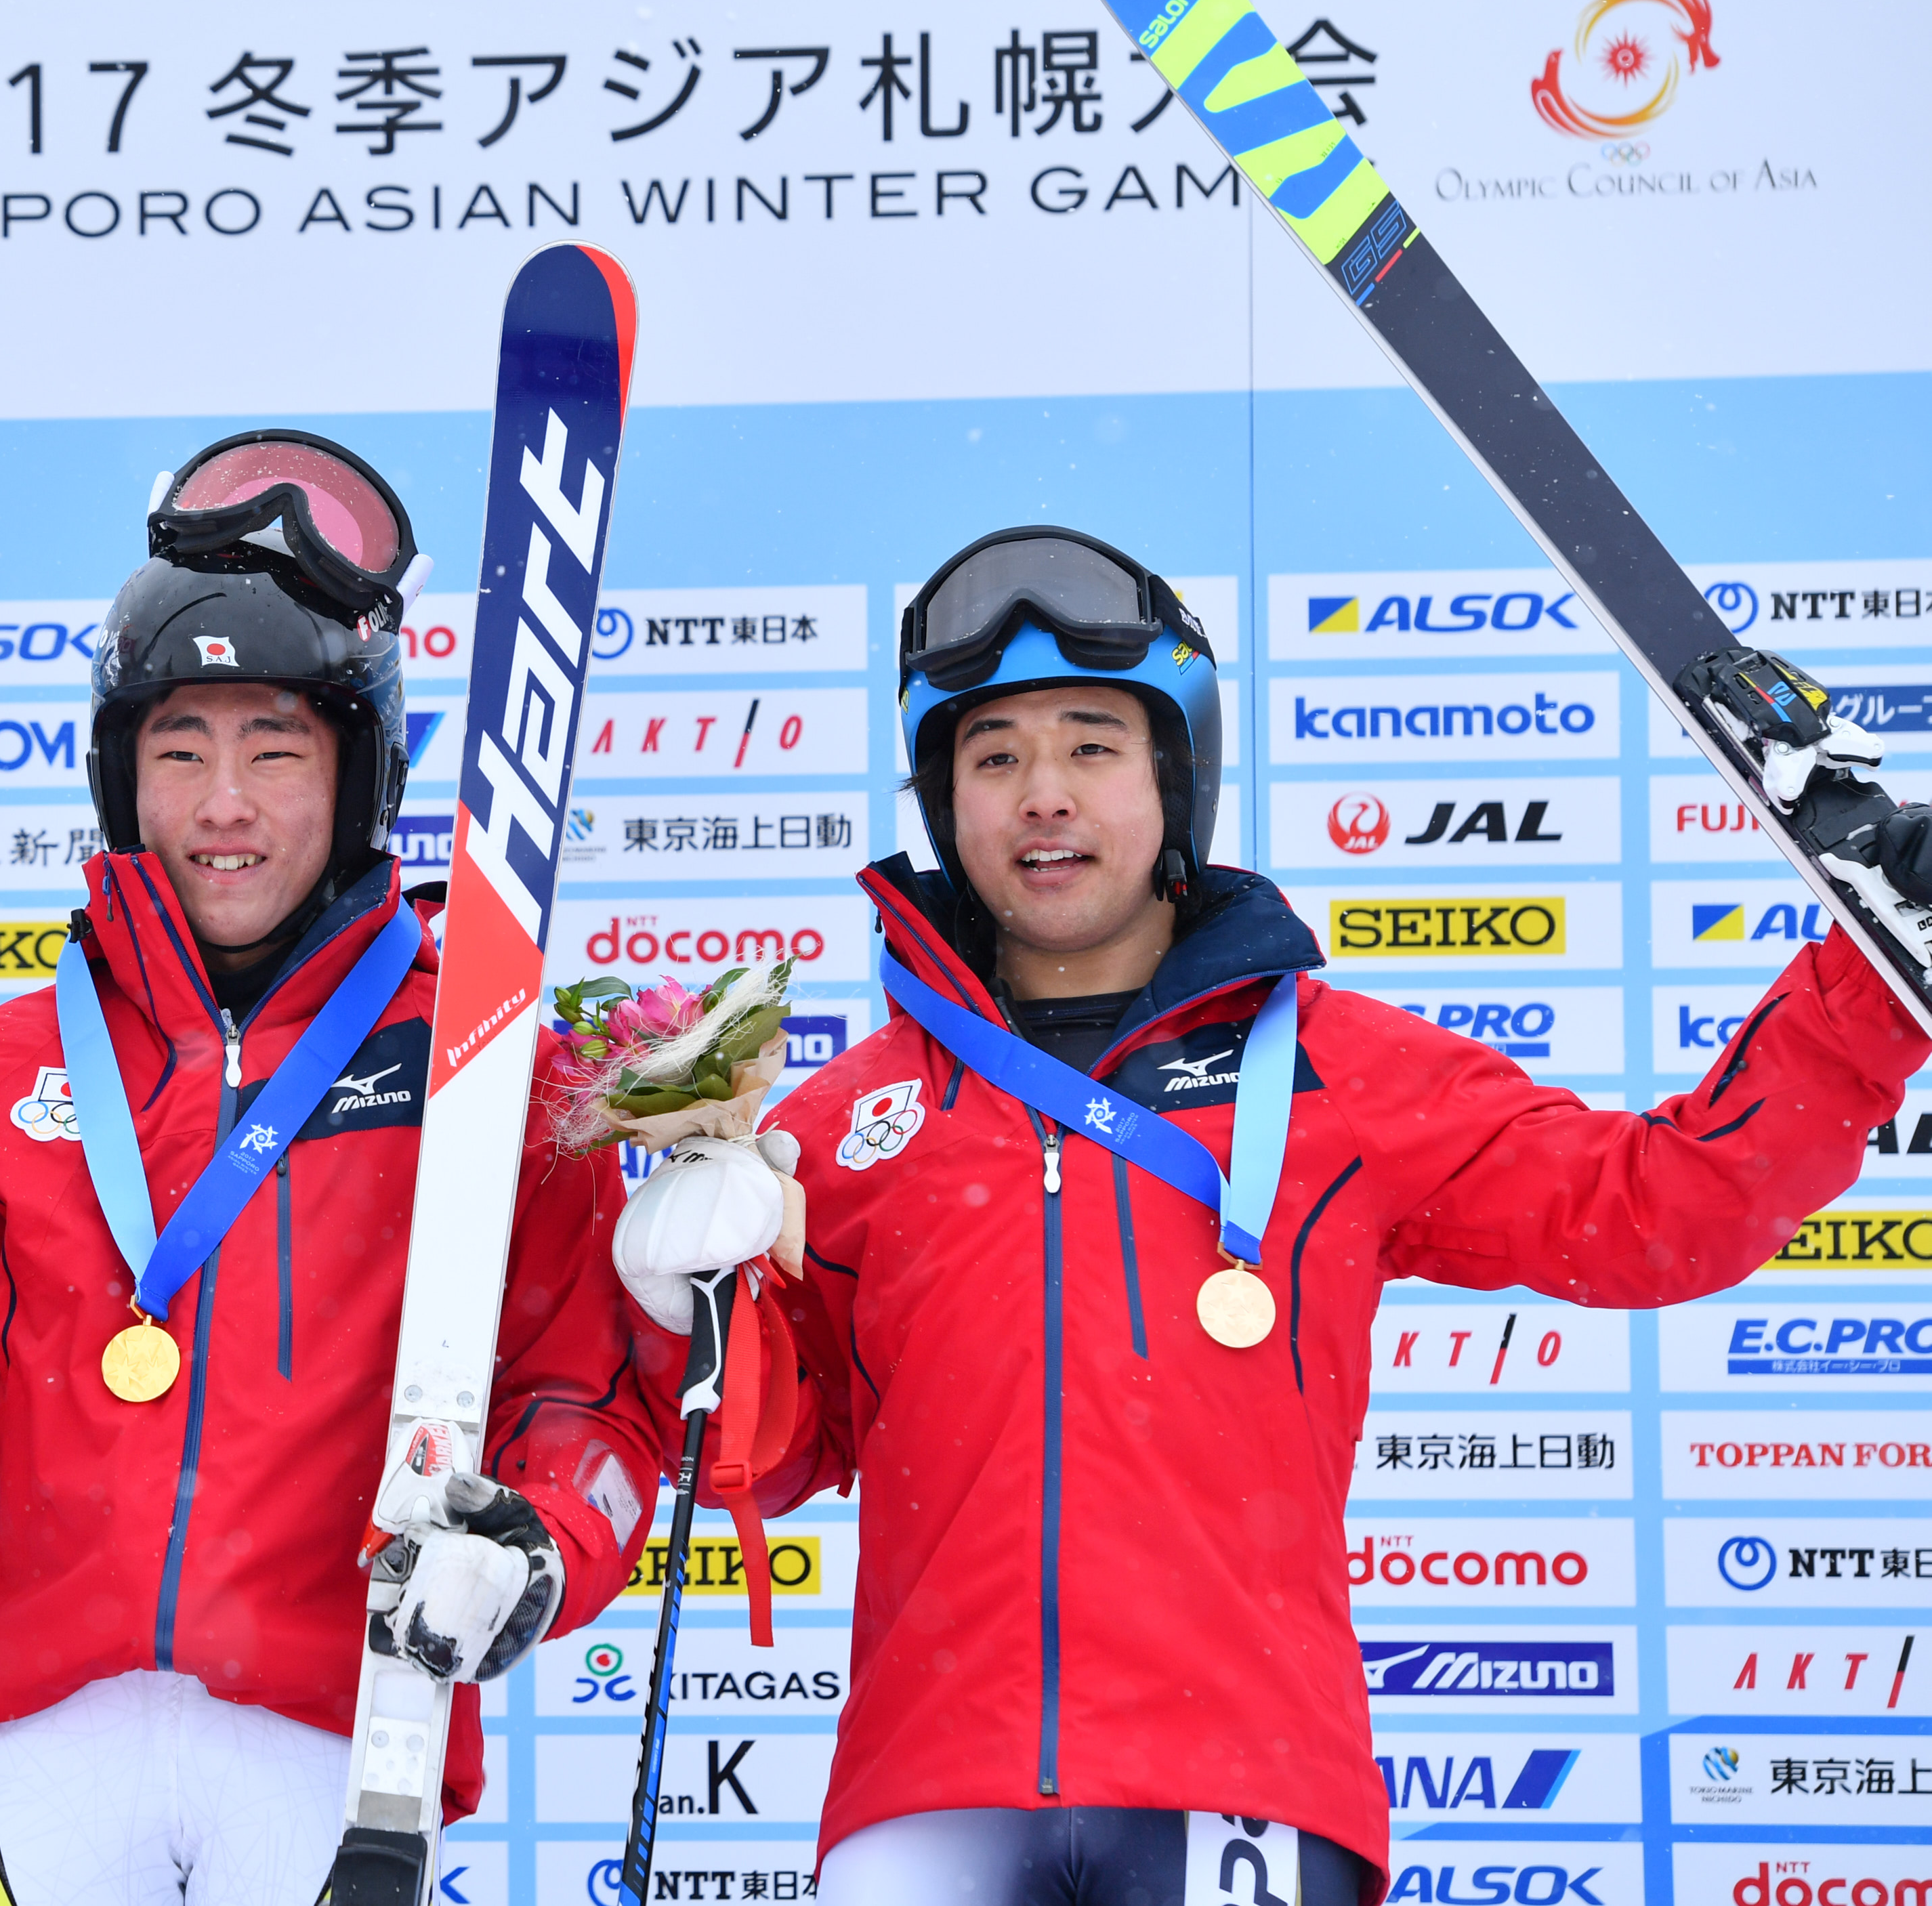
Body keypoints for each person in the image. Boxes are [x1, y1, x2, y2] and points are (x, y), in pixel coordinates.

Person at [609, 526, 1932, 1905]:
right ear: (945, 801)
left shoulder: (1334, 1073)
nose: (1042, 795)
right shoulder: (848, 1119)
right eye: (991, 756)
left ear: (1178, 779)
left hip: (1241, 1776)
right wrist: (681, 1320)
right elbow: (767, 1452)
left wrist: (1865, 989)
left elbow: (1660, 1209)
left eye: (1093, 747)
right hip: (927, 1794)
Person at [0, 432, 665, 1905]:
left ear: (361, 771)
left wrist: (540, 1548)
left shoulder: (487, 1069)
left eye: (277, 749)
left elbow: (585, 1391)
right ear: (122, 775)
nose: (225, 803)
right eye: (182, 750)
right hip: (43, 1746)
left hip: (337, 1732)